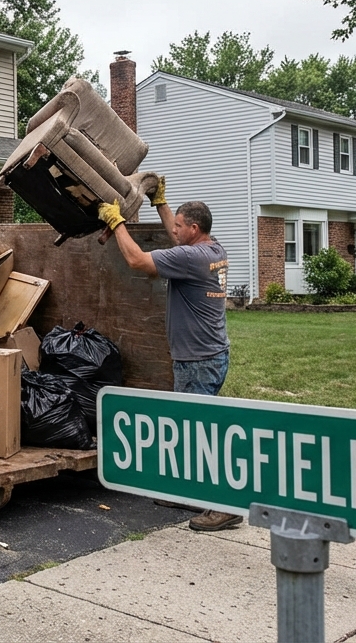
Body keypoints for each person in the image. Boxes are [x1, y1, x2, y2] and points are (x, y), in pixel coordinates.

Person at [97, 178, 242, 532]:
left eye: (179, 225)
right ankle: (184, 490)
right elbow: (177, 241)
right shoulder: (212, 250)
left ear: (194, 229)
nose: (173, 231)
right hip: (210, 354)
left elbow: (136, 261)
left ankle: (225, 506)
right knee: (190, 427)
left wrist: (117, 222)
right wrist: (160, 203)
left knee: (201, 434)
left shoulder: (192, 258)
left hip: (198, 361)